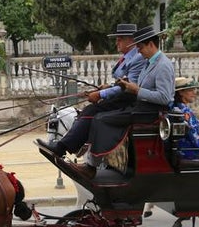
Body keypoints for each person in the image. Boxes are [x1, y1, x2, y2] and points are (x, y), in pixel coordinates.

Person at [72, 25, 175, 177]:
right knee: (99, 116)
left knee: (101, 120)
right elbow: (140, 86)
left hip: (151, 112)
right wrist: (121, 86)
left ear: (150, 44)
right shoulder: (149, 62)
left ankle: (93, 165)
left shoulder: (163, 65)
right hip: (141, 107)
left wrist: (137, 90)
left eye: (140, 47)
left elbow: (164, 98)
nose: (138, 51)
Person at [38, 23, 146, 157]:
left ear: (131, 41)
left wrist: (100, 94)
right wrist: (108, 87)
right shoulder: (127, 57)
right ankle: (74, 145)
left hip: (128, 100)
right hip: (121, 97)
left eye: (120, 39)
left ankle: (62, 147)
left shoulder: (137, 58)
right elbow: (122, 82)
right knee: (87, 110)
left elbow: (128, 85)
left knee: (91, 111)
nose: (116, 42)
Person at [171, 77, 199, 159]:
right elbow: (194, 138)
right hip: (189, 152)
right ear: (181, 92)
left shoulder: (176, 107)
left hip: (184, 149)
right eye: (190, 90)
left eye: (195, 89)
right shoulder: (183, 111)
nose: (194, 92)